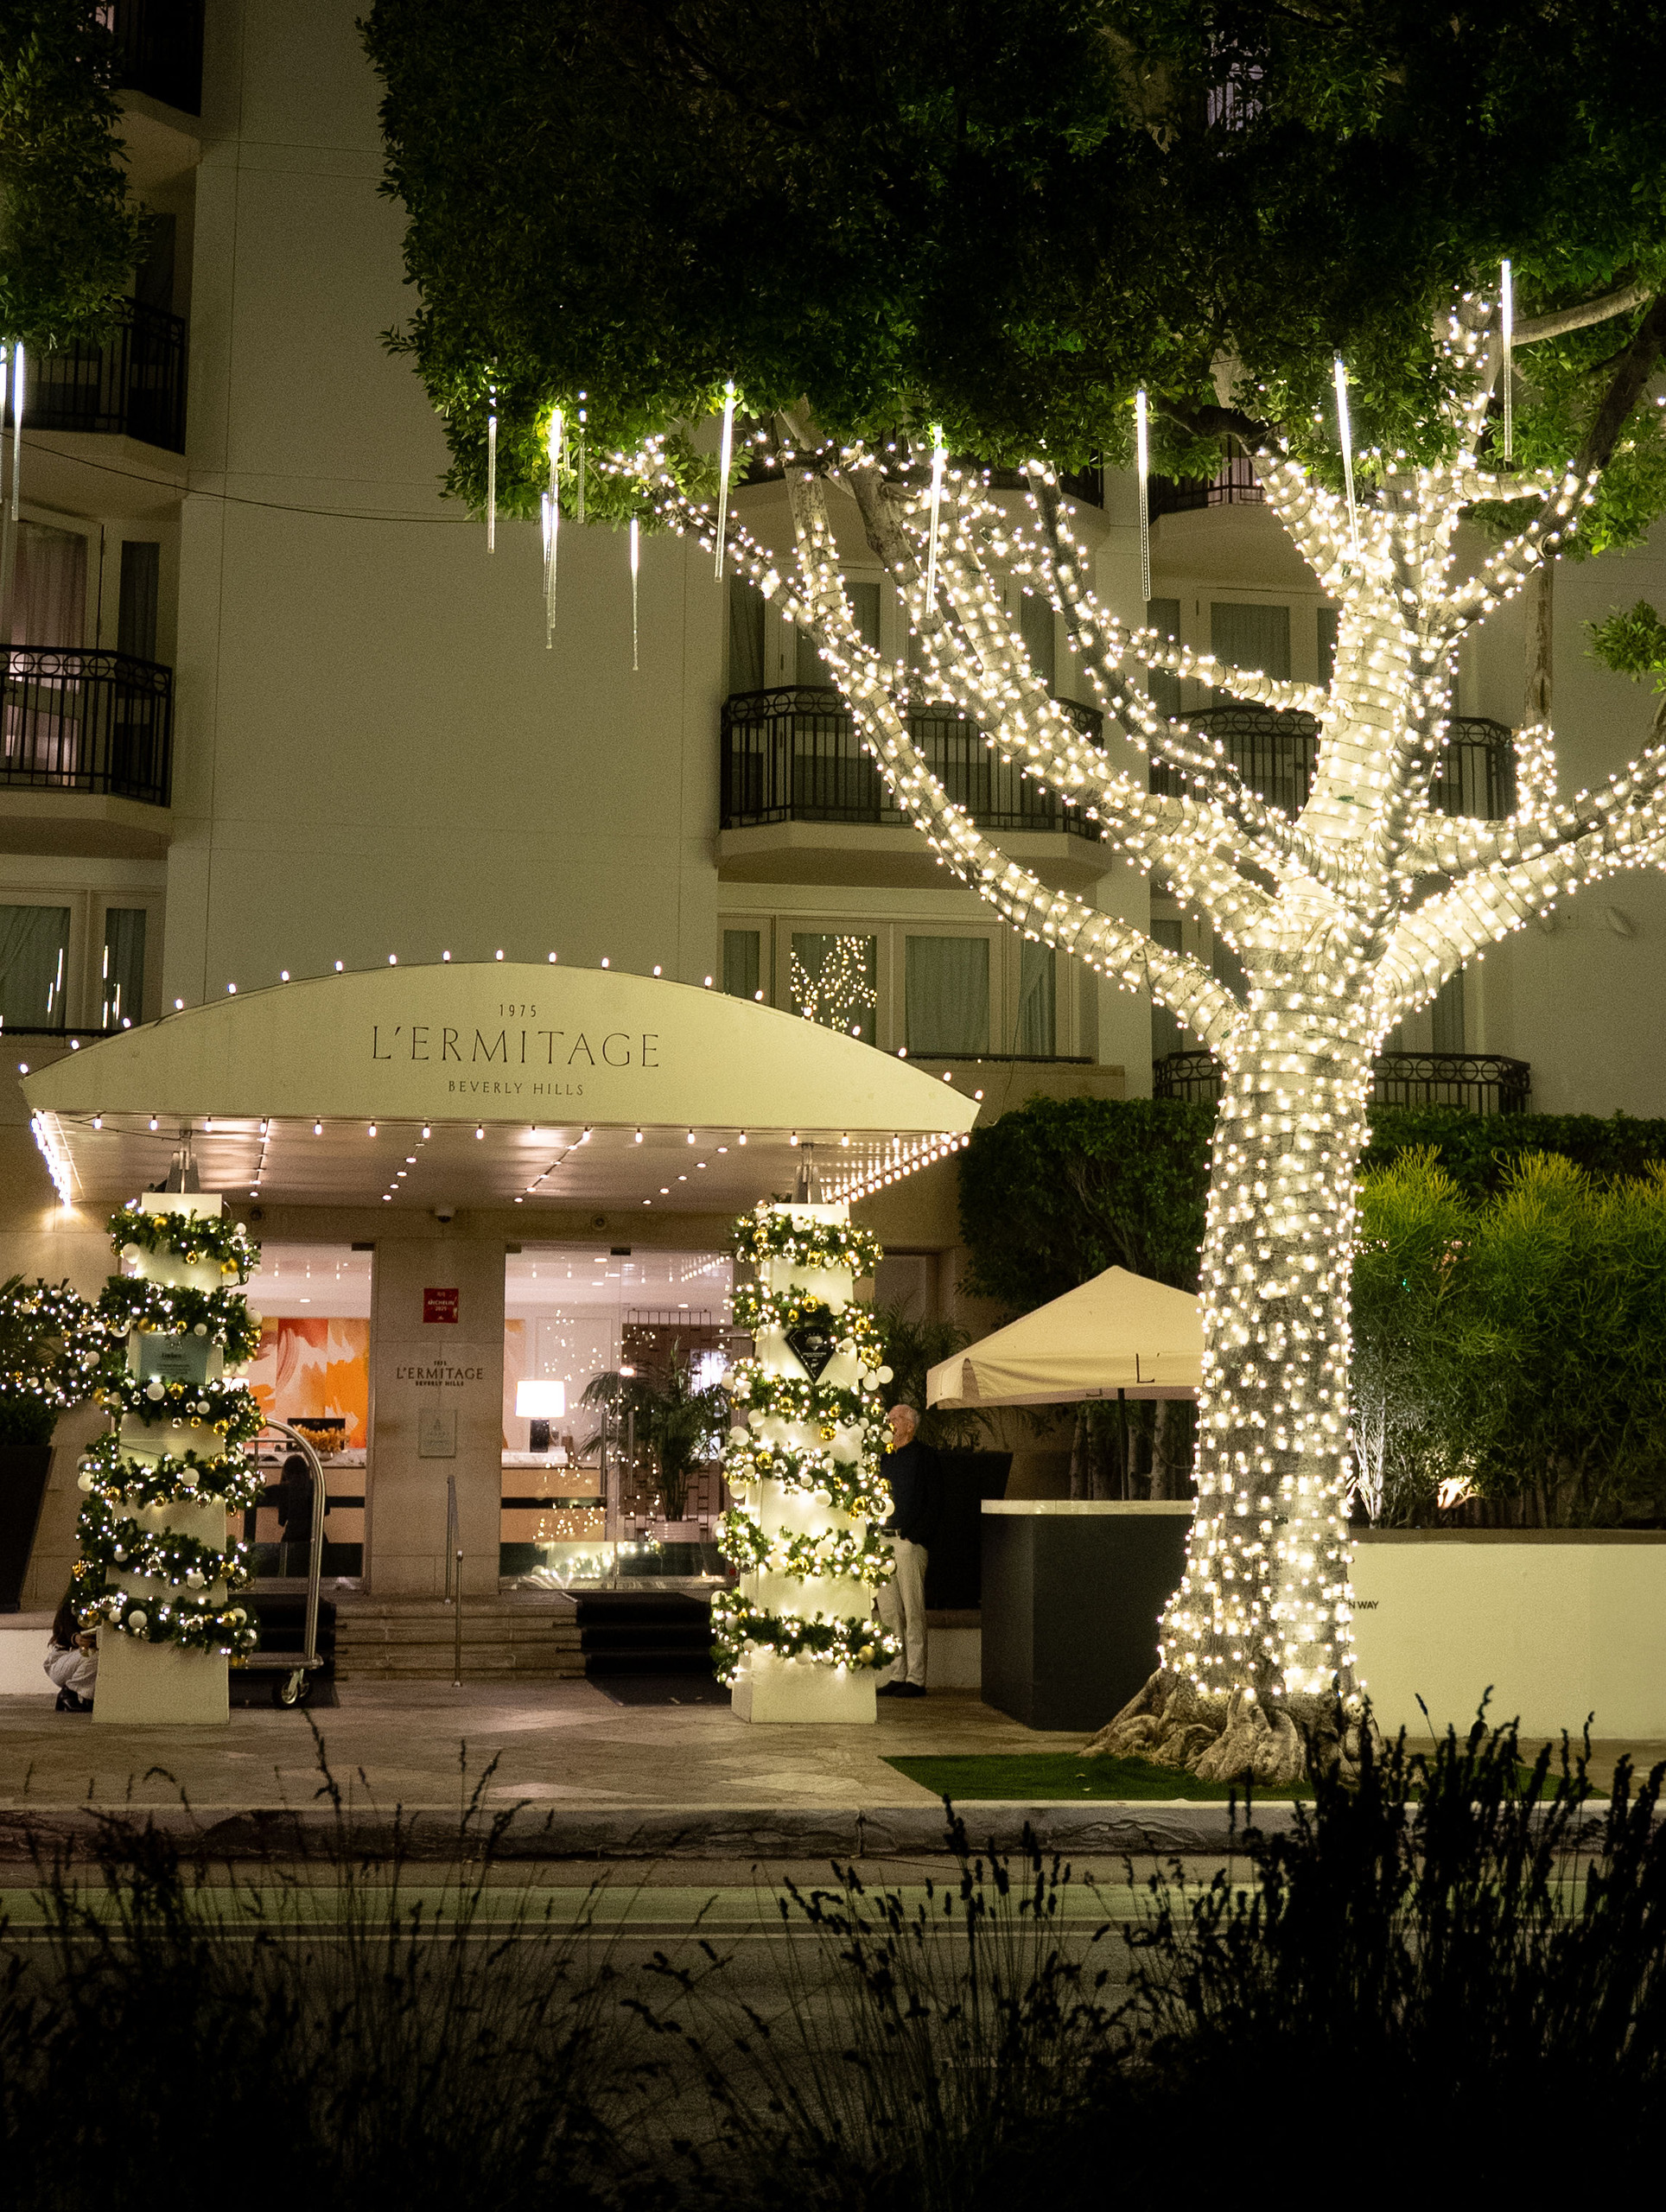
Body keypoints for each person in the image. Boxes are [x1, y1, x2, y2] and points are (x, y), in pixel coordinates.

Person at [875, 1402, 939, 1699]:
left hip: (907, 1541)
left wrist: (914, 1536)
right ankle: (896, 1672)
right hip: (882, 1540)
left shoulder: (924, 1456)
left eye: (896, 1418)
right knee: (889, 1611)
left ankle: (916, 1677)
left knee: (913, 1611)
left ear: (910, 1426)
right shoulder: (883, 1457)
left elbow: (934, 1500)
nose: (890, 1422)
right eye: (889, 1418)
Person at [44, 1589, 97, 1713]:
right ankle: (68, 1693)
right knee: (94, 1655)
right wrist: (77, 1638)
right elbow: (70, 1630)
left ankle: (87, 1698)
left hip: (77, 1660)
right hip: (61, 1658)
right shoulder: (70, 1606)